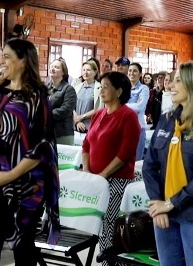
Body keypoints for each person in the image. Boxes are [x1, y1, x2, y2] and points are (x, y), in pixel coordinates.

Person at [0, 39, 60, 266]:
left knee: (23, 250)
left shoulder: (37, 97)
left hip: (26, 185)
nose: (1, 61)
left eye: (7, 56)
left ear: (23, 61)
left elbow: (43, 146)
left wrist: (10, 175)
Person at [142, 61, 193, 266]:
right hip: (163, 212)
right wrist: (157, 204)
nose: (170, 86)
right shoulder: (167, 119)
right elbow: (149, 165)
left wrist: (169, 204)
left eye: (178, 80)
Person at [81, 71, 140, 262]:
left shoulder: (128, 116)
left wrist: (103, 175)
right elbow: (86, 145)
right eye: (101, 86)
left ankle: (110, 262)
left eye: (107, 87)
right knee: (99, 226)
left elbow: (125, 153)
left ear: (119, 91)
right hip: (96, 181)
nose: (102, 90)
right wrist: (87, 171)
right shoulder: (99, 114)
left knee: (110, 226)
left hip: (117, 181)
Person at [48, 58, 77, 145]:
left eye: (56, 67)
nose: (52, 69)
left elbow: (66, 110)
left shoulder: (68, 89)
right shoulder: (45, 88)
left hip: (63, 134)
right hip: (47, 133)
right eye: (51, 66)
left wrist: (46, 114)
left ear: (63, 72)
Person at [127, 63, 150, 160]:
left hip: (138, 129)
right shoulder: (124, 88)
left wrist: (122, 106)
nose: (132, 73)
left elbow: (140, 107)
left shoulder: (143, 88)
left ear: (140, 74)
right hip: (124, 129)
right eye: (130, 70)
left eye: (135, 71)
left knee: (136, 163)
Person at [73, 60, 102, 132]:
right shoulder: (77, 87)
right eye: (83, 70)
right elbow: (71, 107)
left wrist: (82, 117)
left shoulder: (100, 88)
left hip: (91, 128)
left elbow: (99, 109)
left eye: (88, 70)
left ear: (95, 72)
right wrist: (77, 121)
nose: (85, 72)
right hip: (75, 126)